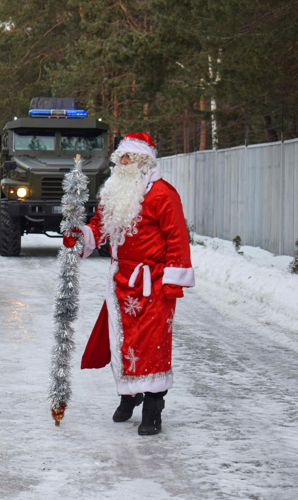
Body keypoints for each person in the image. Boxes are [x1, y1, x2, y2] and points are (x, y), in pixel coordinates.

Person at [64, 132, 194, 436]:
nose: (121, 163)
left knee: (152, 345)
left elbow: (177, 239)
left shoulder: (164, 194)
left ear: (143, 161)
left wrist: (173, 281)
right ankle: (129, 395)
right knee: (123, 343)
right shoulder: (114, 191)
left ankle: (153, 408)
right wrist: (78, 236)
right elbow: (100, 227)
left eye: (128, 158)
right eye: (119, 158)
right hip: (120, 282)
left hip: (154, 283)